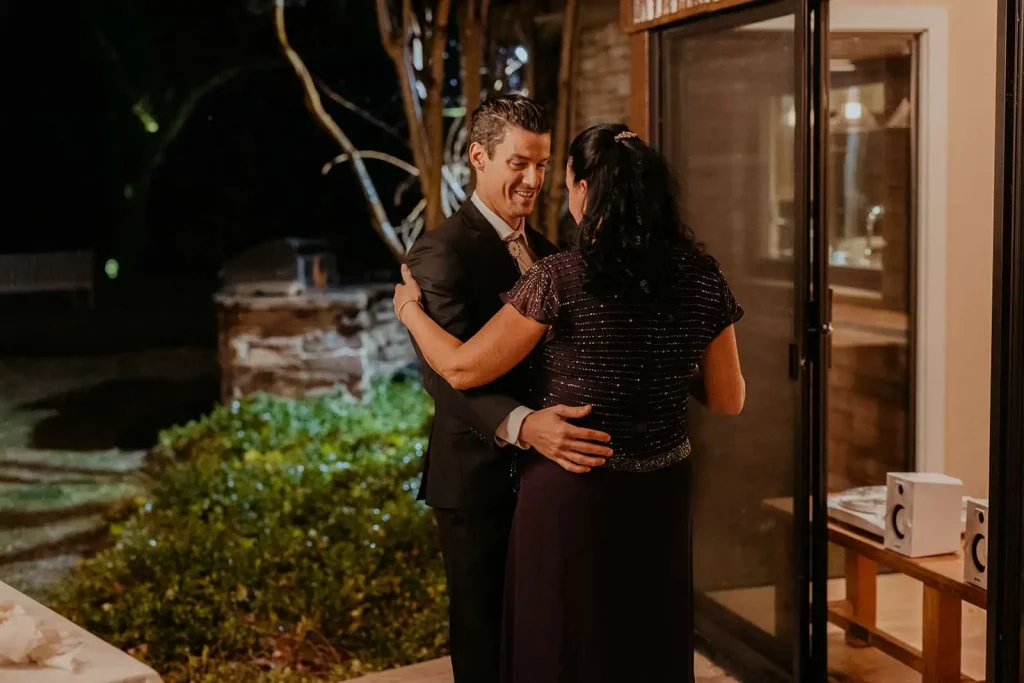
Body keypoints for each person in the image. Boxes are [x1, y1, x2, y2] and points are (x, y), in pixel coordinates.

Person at [395, 122, 746, 683]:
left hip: (574, 490)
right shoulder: (703, 277)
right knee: (646, 636)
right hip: (660, 492)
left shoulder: (560, 275)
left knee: (567, 644)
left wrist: (409, 311)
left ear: (584, 191)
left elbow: (460, 366)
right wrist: (659, 360)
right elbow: (728, 399)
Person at [403, 95, 614, 683]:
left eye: (543, 165)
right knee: (483, 641)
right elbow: (445, 377)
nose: (533, 180)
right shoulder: (442, 251)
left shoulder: (550, 253)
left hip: (550, 481)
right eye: (519, 163)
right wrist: (525, 424)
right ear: (478, 156)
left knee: (541, 637)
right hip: (476, 479)